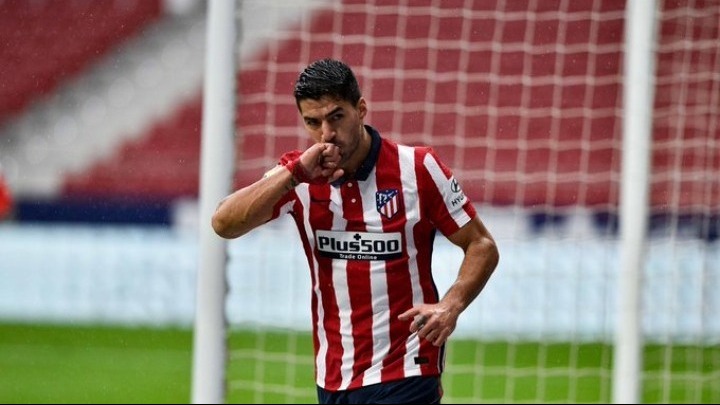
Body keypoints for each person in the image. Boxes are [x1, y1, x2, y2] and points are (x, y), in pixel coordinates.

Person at [212, 58, 499, 404]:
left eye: (336, 117)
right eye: (313, 122)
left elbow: (481, 244)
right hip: (334, 375)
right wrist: (294, 176)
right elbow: (223, 223)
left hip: (407, 367)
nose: (326, 134)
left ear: (361, 109)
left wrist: (451, 305)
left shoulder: (418, 168)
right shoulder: (299, 176)